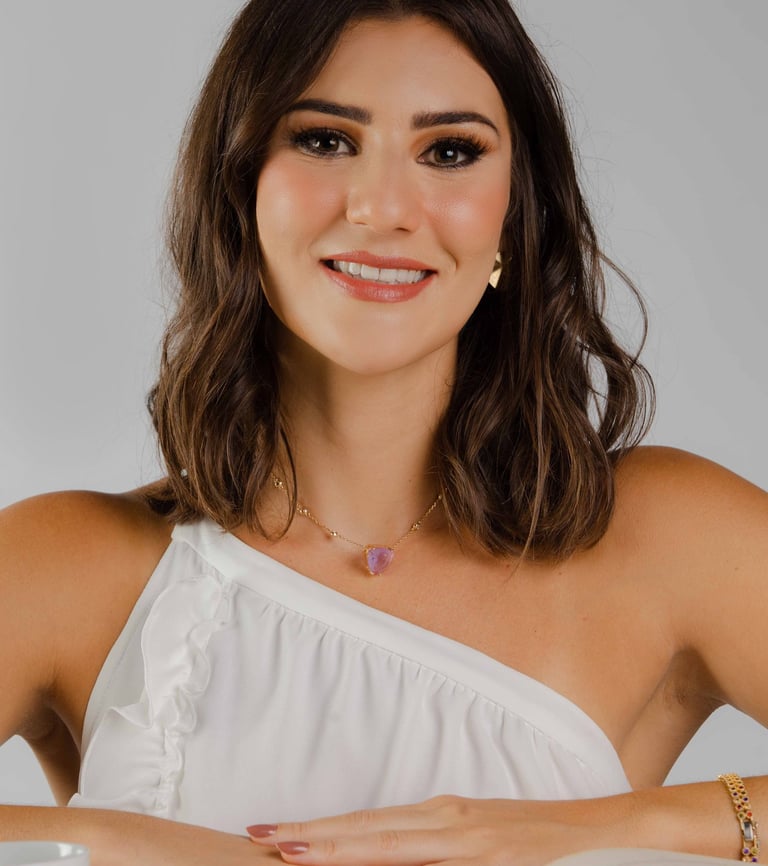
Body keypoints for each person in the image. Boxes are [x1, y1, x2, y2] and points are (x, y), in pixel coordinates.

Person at [1, 1, 766, 865]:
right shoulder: (71, 567)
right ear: (239, 186)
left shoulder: (665, 539)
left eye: (450, 152)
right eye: (326, 140)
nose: (385, 207)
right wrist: (98, 834)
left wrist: (605, 826)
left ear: (515, 213)